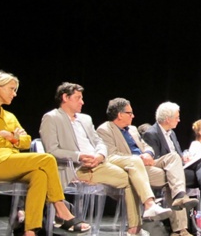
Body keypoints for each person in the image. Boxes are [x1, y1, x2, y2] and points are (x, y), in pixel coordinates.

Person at [39, 82, 173, 236]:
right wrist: (79, 156)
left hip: (99, 162)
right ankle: (141, 218)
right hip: (75, 167)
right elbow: (51, 150)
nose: (82, 102)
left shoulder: (85, 119)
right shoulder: (51, 117)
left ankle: (136, 226)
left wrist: (100, 155)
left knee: (132, 174)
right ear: (65, 97)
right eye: (78, 98)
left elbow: (98, 142)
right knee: (133, 170)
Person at [0, 71, 91, 236]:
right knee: (46, 159)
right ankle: (61, 209)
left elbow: (26, 140)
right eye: (11, 89)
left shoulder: (9, 116)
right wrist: (12, 137)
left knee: (40, 175)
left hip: (12, 160)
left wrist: (10, 137)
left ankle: (30, 231)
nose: (15, 94)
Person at [96, 98, 201, 236]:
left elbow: (146, 146)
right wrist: (138, 158)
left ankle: (180, 197)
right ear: (120, 114)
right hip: (131, 167)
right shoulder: (105, 129)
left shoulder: (133, 130)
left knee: (174, 157)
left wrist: (147, 153)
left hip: (146, 163)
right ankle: (180, 229)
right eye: (130, 113)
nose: (133, 116)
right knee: (173, 177)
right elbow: (111, 156)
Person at [141, 101, 201, 236]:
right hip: (168, 173)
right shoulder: (151, 134)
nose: (179, 119)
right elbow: (155, 160)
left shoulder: (171, 133)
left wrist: (184, 156)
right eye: (177, 117)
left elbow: (177, 153)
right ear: (168, 119)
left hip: (180, 169)